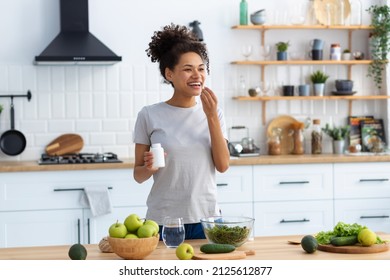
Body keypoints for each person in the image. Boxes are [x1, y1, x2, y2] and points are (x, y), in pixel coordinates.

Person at [133, 23, 230, 240]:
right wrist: (149, 167)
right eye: (188, 69)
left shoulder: (215, 113)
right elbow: (138, 175)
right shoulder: (149, 115)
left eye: (201, 68)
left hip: (208, 219)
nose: (197, 75)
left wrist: (211, 116)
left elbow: (223, 165)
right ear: (169, 74)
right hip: (163, 221)